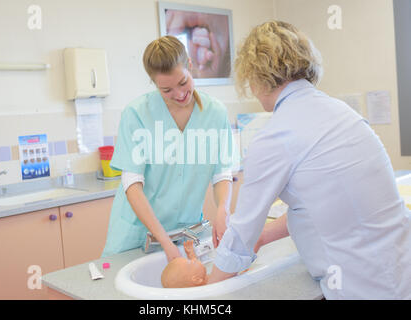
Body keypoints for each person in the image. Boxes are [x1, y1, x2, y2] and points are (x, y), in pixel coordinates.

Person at [207, 21, 411, 299]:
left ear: (256, 77)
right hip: (401, 269)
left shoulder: (275, 137)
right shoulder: (341, 112)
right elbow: (321, 205)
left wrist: (204, 292)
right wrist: (263, 235)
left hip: (364, 286)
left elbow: (240, 236)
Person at [101, 35, 233, 262]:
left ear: (190, 66)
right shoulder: (137, 114)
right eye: (167, 90)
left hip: (188, 233)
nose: (179, 94)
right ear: (154, 84)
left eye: (183, 82)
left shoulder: (216, 113)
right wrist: (164, 242)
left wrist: (223, 209)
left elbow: (222, 173)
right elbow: (132, 185)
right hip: (138, 236)